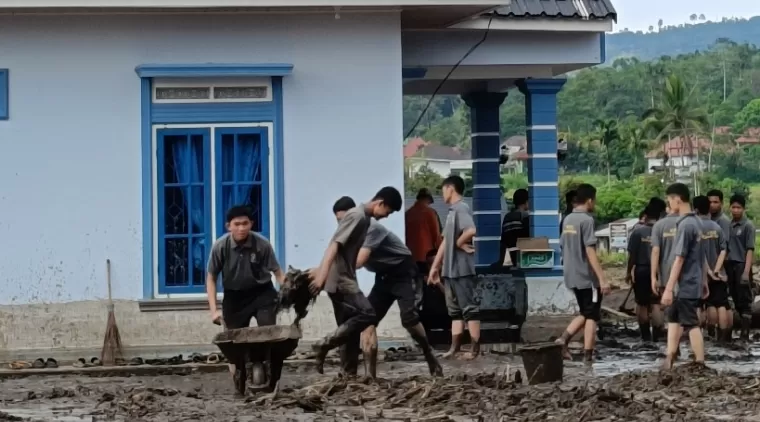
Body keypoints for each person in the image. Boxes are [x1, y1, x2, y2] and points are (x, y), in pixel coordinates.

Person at [331, 196, 443, 378]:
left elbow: (358, 262)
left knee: (409, 320)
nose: (342, 224)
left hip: (403, 271)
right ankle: (370, 376)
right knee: (367, 320)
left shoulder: (370, 228)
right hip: (383, 276)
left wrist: (328, 269)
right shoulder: (347, 233)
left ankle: (428, 352)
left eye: (344, 220)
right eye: (338, 221)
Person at [308, 187, 403, 373]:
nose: (386, 216)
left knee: (348, 328)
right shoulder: (357, 216)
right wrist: (320, 278)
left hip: (346, 277)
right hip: (341, 279)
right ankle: (323, 345)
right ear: (380, 203)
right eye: (387, 212)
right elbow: (333, 246)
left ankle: (348, 374)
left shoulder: (365, 219)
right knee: (369, 314)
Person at [205, 205, 286, 388]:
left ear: (251, 224)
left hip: (262, 293)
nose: (241, 228)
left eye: (245, 224)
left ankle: (272, 375)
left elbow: (278, 272)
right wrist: (214, 310)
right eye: (237, 224)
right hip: (234, 297)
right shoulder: (221, 246)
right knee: (232, 342)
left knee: (268, 334)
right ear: (229, 226)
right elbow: (211, 278)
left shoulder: (262, 244)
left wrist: (289, 292)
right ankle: (238, 377)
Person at [556, 184, 609, 362]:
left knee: (586, 312)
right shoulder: (587, 220)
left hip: (571, 274)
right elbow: (590, 251)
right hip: (587, 277)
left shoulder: (567, 219)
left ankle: (564, 341)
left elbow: (563, 246)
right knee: (592, 315)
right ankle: (587, 353)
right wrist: (602, 278)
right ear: (589, 200)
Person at [428, 175, 479, 360]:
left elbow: (471, 230)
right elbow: (444, 243)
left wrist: (459, 242)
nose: (442, 193)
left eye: (443, 189)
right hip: (449, 269)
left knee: (469, 309)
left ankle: (474, 350)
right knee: (455, 312)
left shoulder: (461, 208)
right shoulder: (451, 212)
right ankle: (454, 349)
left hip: (462, 269)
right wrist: (435, 267)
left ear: (450, 188)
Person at [660, 183, 708, 369]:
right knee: (673, 317)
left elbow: (679, 259)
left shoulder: (686, 225)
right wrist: (704, 281)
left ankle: (700, 361)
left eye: (669, 200)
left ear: (677, 199)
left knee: (690, 322)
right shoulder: (697, 222)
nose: (669, 204)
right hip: (693, 280)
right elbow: (701, 256)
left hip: (685, 283)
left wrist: (669, 288)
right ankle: (669, 357)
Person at [694, 195, 729, 342]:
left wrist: (708, 271)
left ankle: (703, 339)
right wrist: (717, 269)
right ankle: (723, 338)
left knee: (704, 306)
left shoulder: (695, 227)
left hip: (700, 274)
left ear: (695, 209)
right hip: (719, 273)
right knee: (721, 304)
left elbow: (698, 253)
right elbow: (723, 250)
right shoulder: (717, 227)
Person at [626, 205, 659, 342]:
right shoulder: (661, 232)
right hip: (658, 271)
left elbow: (632, 255)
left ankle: (645, 337)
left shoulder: (638, 232)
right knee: (656, 303)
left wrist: (628, 272)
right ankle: (658, 337)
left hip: (642, 271)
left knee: (642, 304)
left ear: (645, 216)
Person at [726, 194, 756, 341]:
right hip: (729, 265)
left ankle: (745, 334)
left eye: (739, 207)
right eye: (733, 207)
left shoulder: (748, 226)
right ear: (729, 207)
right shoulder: (728, 225)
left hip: (742, 265)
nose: (736, 210)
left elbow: (750, 249)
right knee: (735, 298)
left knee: (745, 300)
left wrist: (746, 272)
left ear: (743, 209)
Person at [650, 198, 679, 341]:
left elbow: (655, 251)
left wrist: (653, 276)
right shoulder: (688, 223)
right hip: (686, 274)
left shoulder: (659, 226)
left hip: (666, 273)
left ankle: (673, 344)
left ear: (667, 208)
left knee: (669, 307)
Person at [405, 188, 442, 274]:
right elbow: (436, 235)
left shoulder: (407, 213)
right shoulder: (430, 213)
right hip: (427, 257)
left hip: (410, 256)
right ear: (428, 199)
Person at [500, 188, 530, 267]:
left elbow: (503, 239)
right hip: (522, 256)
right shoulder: (524, 217)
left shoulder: (507, 216)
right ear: (526, 202)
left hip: (509, 256)